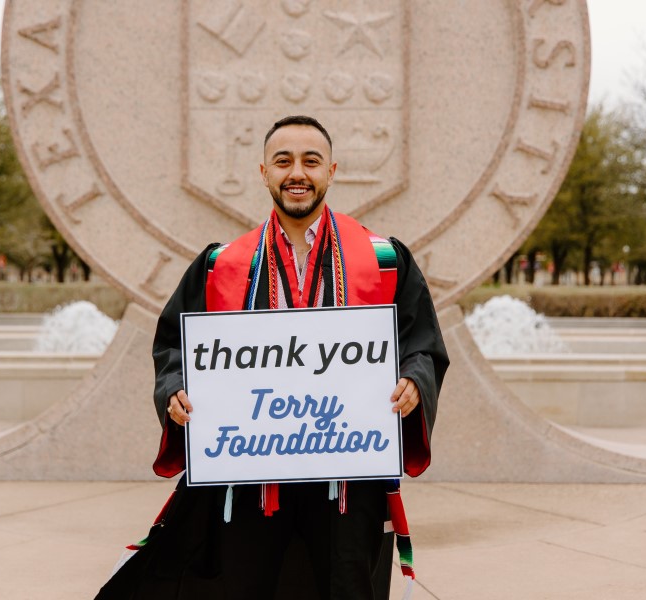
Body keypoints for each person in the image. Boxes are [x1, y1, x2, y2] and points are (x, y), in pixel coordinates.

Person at [95, 115, 449, 600]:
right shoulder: (221, 265)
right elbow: (174, 346)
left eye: (311, 161)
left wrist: (413, 379)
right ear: (264, 172)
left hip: (346, 484)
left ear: (332, 171)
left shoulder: (384, 259)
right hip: (248, 486)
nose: (296, 173)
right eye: (283, 161)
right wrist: (175, 389)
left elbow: (422, 343)